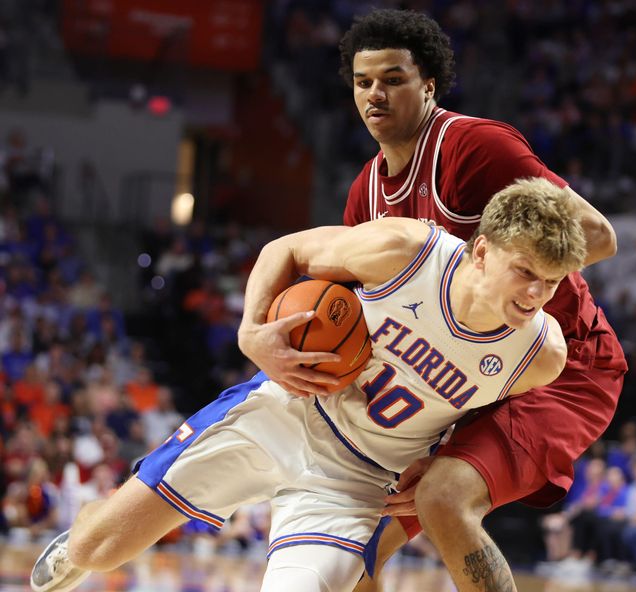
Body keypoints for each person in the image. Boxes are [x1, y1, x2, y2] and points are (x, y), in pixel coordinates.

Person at [30, 178, 585, 592]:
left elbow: (482, 421)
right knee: (98, 550)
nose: (536, 293)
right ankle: (88, 528)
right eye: (525, 272)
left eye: (551, 282)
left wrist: (445, 462)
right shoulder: (407, 252)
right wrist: (253, 332)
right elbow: (285, 251)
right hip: (287, 413)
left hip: (356, 483)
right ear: (483, 251)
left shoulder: (541, 355)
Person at [326, 8, 625, 591]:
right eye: (364, 83)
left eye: (394, 79)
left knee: (443, 497)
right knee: (349, 542)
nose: (375, 95)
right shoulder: (365, 195)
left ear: (428, 84)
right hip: (456, 380)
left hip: (559, 368)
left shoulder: (473, 147)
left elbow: (598, 237)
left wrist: (496, 290)